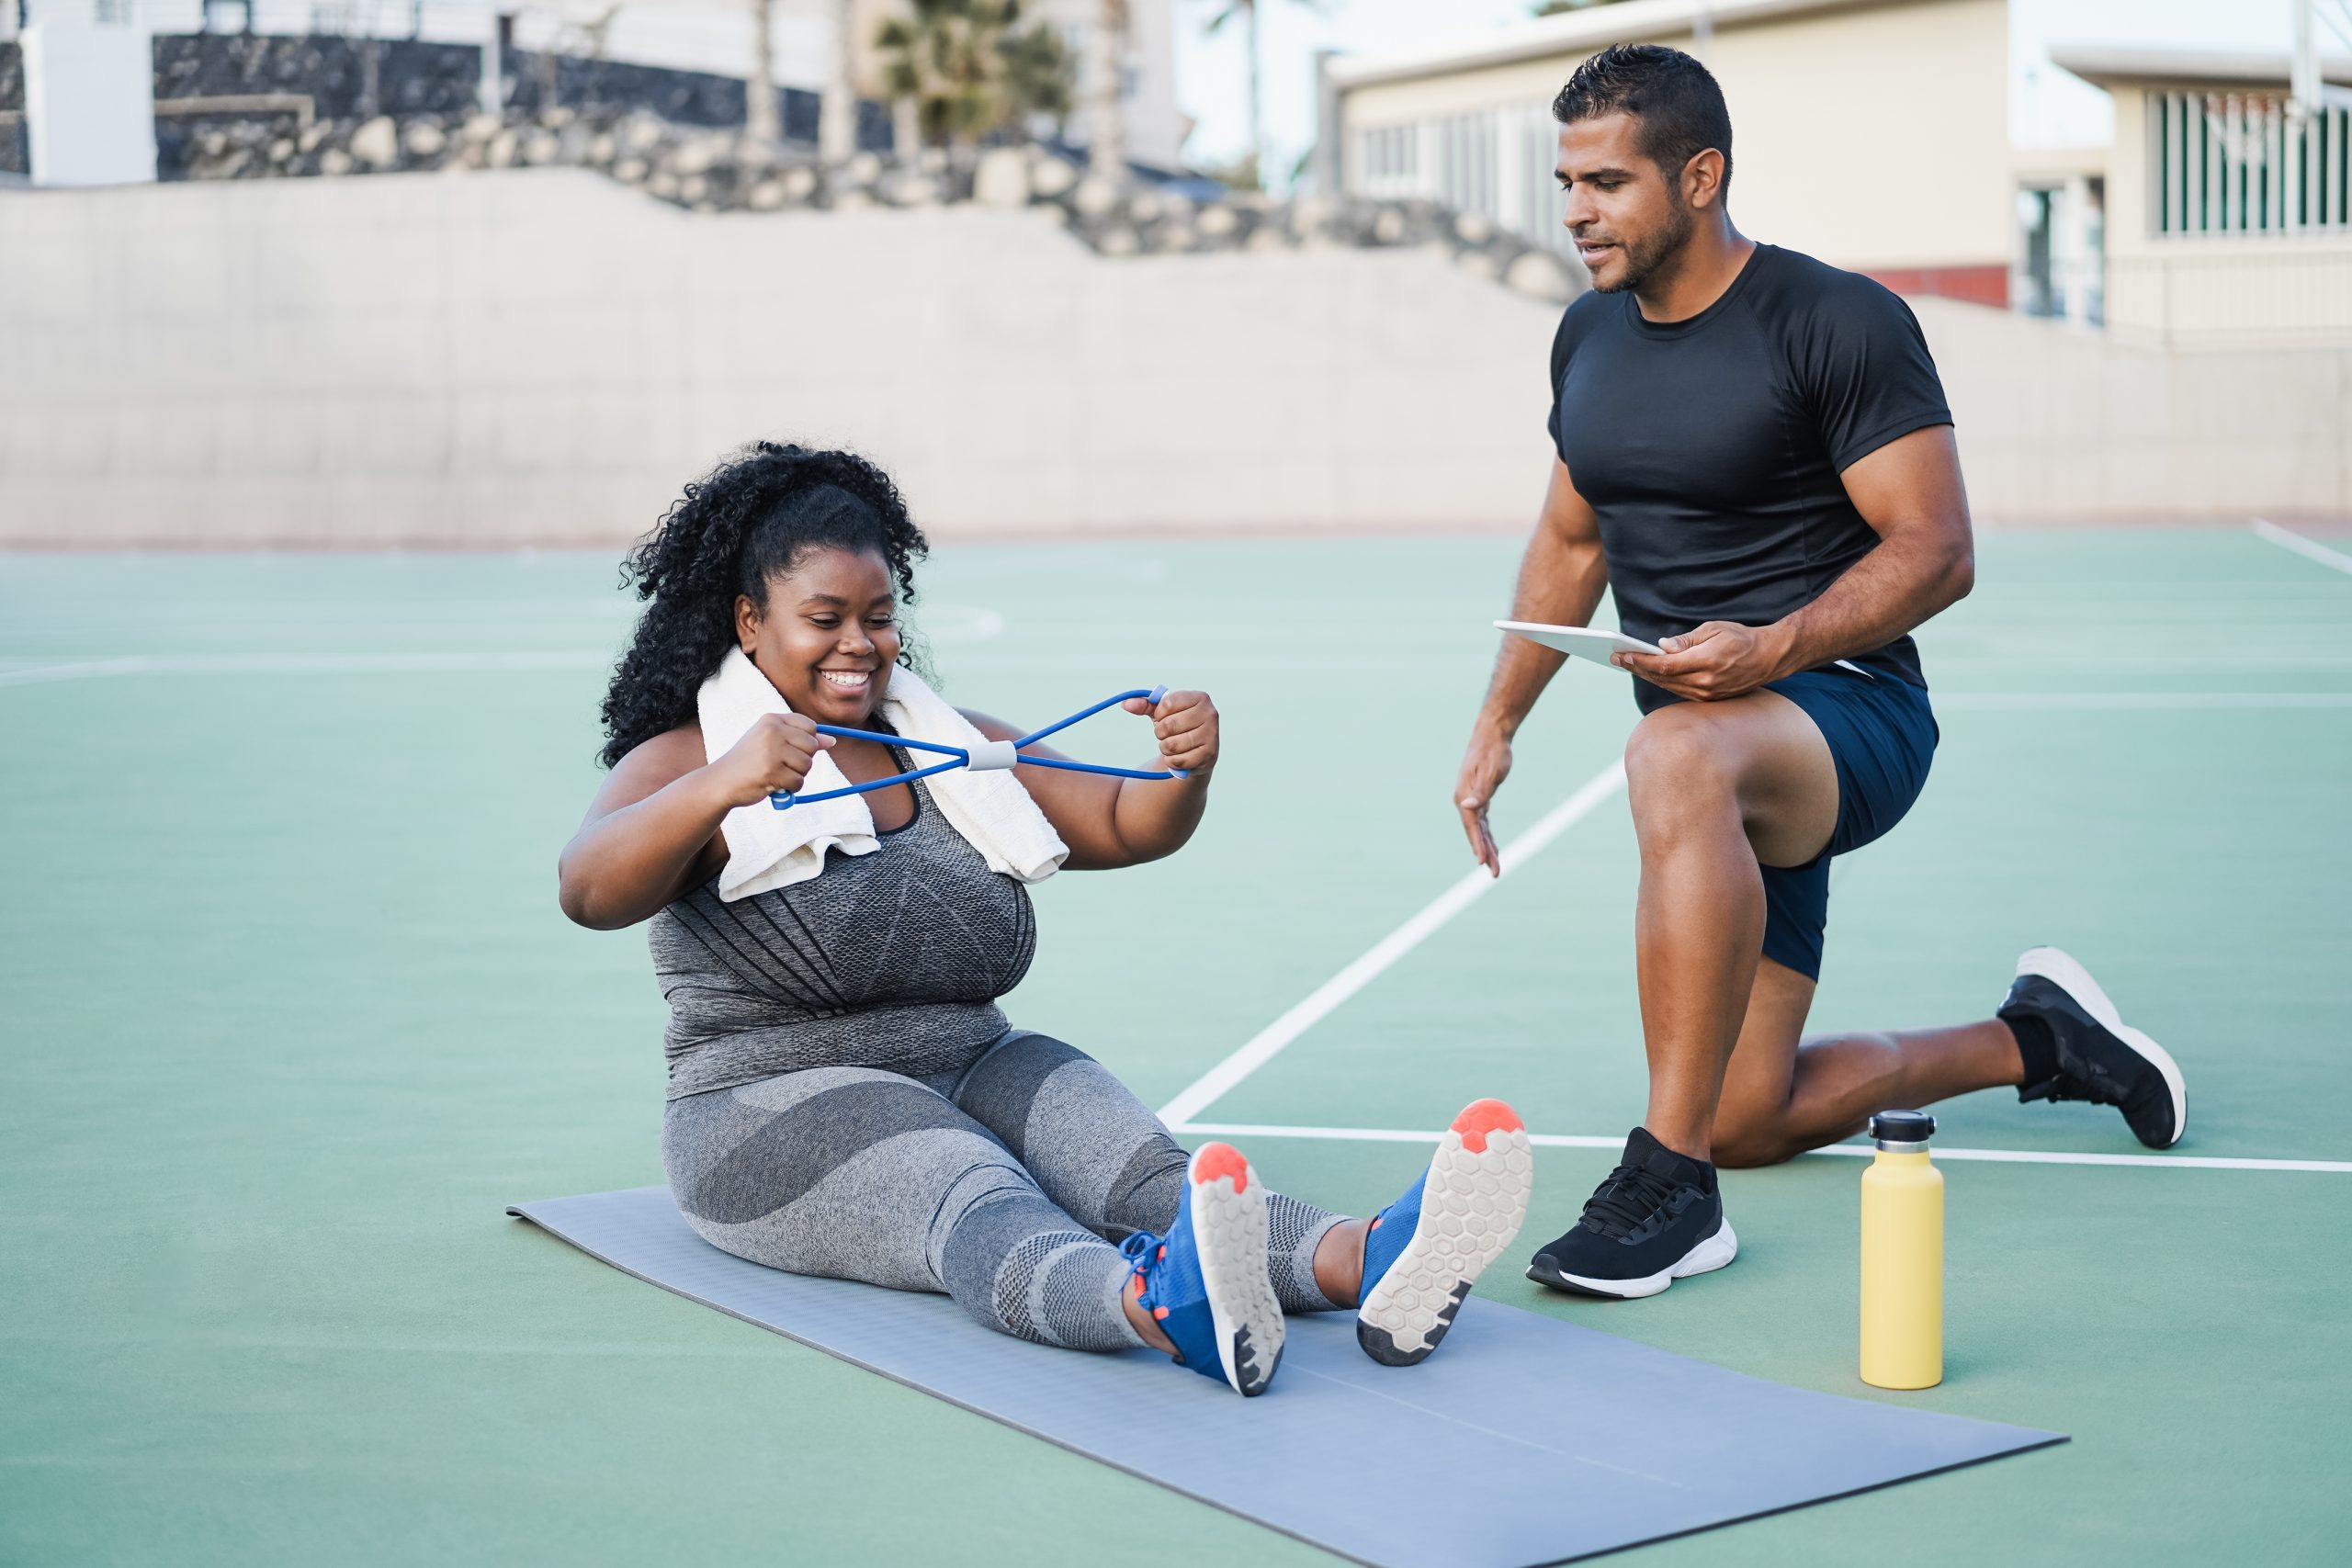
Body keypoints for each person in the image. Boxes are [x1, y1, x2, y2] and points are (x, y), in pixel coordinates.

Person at [560, 441, 1532, 1394]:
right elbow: (588, 889)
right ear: (749, 620)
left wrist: (1182, 769)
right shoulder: (692, 757)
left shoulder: (951, 743)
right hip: (765, 1101)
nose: (860, 644)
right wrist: (718, 788)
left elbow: (1122, 822)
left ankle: (1362, 1261)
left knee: (1137, 1168)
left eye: (879, 616)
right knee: (968, 1187)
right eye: (825, 618)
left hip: (974, 1056)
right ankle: (1158, 1308)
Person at [1452, 46, 2186, 1303]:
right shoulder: (1586, 336)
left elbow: (1937, 548)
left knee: (1673, 753)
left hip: (1846, 714)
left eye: (1608, 182)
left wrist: (1771, 646)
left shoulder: (1835, 320)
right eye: (1566, 180)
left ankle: (1672, 1185)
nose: (1575, 210)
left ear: (1701, 175)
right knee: (1753, 1106)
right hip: (1718, 776)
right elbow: (1574, 540)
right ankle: (2040, 1038)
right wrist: (1499, 719)